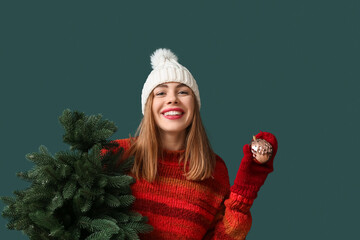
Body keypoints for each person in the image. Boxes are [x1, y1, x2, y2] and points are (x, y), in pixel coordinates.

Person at [105, 48, 278, 239]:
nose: (172, 99)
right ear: (149, 106)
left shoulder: (214, 171)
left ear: (194, 105)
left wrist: (245, 192)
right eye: (161, 93)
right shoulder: (115, 156)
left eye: (183, 92)